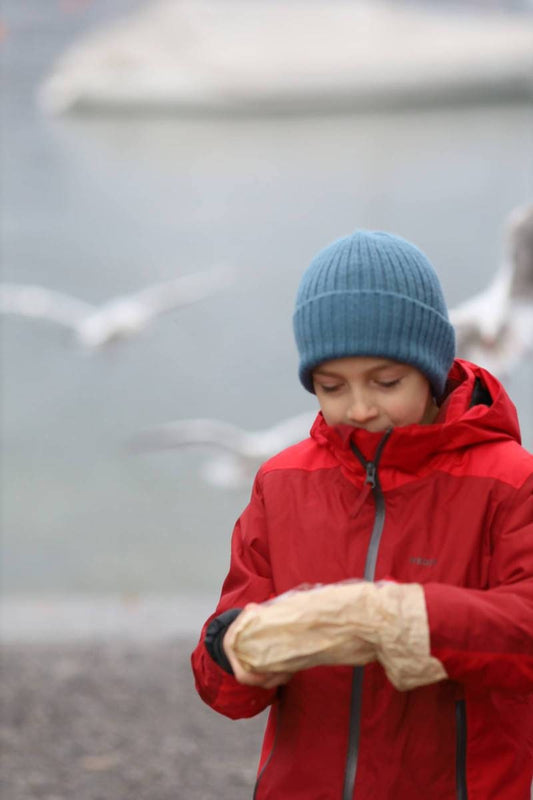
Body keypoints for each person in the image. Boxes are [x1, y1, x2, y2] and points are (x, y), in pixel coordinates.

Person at [191, 230, 533, 799]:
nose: (360, 407)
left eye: (386, 381)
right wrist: (235, 651)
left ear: (429, 366)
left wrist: (403, 619)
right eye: (331, 386)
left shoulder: (510, 480)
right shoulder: (281, 484)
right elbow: (222, 690)